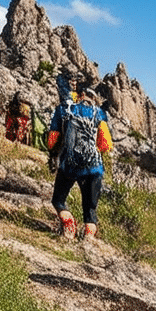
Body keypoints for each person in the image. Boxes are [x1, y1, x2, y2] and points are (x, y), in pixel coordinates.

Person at [47, 86, 112, 239]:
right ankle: (88, 241)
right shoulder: (99, 113)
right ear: (93, 98)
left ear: (79, 95)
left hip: (68, 165)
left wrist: (56, 151)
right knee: (90, 212)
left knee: (58, 200)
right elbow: (106, 145)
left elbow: (51, 141)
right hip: (93, 167)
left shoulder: (63, 109)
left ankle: (69, 226)